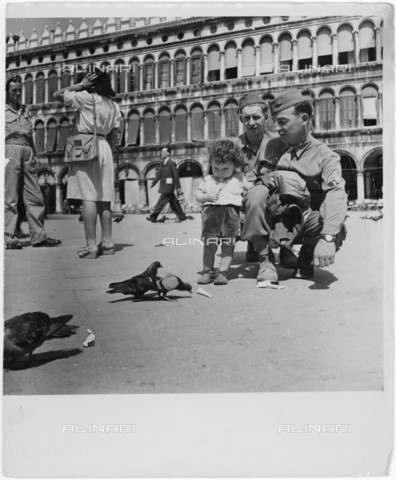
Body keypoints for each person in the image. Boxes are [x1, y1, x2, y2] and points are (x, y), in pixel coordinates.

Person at [241, 88, 347, 283]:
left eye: (283, 122)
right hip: (274, 216)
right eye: (275, 123)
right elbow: (257, 179)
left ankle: (306, 257)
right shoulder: (272, 146)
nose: (278, 129)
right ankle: (265, 260)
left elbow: (336, 194)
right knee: (255, 195)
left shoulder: (325, 156)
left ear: (304, 119)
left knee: (333, 220)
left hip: (304, 221)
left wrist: (328, 237)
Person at [54, 68, 121, 259]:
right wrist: (107, 154)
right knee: (104, 196)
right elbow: (114, 136)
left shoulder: (86, 97)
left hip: (85, 146)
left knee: (88, 196)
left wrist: (79, 86)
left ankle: (91, 246)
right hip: (105, 148)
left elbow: (57, 94)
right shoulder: (113, 105)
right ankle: (107, 243)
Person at [5, 75, 61, 250]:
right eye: (14, 90)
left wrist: (35, 156)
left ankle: (38, 236)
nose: (18, 93)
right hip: (9, 150)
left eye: (19, 90)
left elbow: (30, 137)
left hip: (28, 152)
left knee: (35, 195)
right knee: (10, 197)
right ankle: (9, 237)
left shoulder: (25, 110)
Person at [195, 139, 251, 285]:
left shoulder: (239, 177)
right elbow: (198, 195)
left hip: (231, 216)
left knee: (228, 245)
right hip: (211, 216)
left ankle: (223, 272)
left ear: (235, 165)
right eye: (216, 168)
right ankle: (207, 271)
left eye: (225, 169)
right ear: (211, 164)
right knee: (209, 246)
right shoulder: (208, 179)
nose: (220, 172)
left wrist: (247, 194)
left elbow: (250, 188)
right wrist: (206, 197)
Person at [237, 92, 278, 263]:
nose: (251, 123)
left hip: (272, 197)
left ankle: (287, 248)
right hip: (242, 200)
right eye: (247, 118)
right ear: (241, 119)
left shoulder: (277, 143)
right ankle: (254, 244)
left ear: (266, 117)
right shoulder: (234, 147)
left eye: (256, 117)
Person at [146, 146, 187, 223]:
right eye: (161, 152)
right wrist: (153, 183)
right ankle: (182, 217)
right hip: (165, 186)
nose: (162, 153)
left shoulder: (171, 163)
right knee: (174, 203)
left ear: (168, 153)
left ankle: (153, 217)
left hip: (168, 187)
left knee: (160, 202)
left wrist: (178, 188)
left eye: (163, 152)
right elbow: (158, 175)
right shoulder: (162, 163)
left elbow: (176, 176)